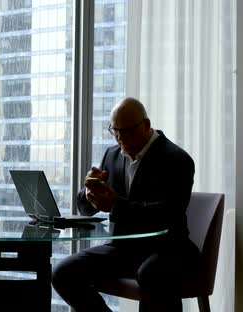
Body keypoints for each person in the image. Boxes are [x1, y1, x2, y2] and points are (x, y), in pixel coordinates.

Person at [51, 97, 201, 312]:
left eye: (127, 131)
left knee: (151, 274)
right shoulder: (112, 155)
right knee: (63, 273)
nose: (120, 138)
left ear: (146, 125)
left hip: (170, 248)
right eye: (115, 131)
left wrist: (115, 204)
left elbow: (167, 215)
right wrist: (89, 192)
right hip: (125, 249)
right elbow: (86, 209)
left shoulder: (176, 159)